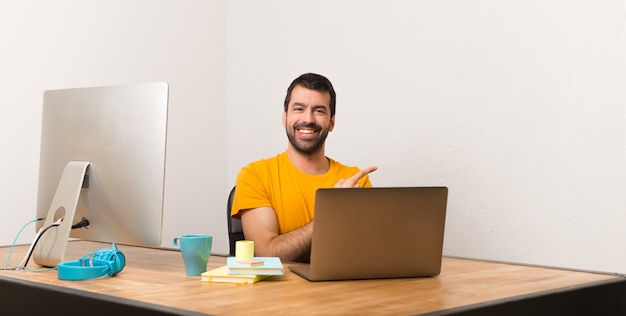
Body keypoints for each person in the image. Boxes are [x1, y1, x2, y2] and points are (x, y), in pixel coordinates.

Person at [230, 73, 377, 263]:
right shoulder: (255, 175)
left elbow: (368, 257)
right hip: (278, 292)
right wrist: (331, 213)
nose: (308, 119)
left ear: (331, 122)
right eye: (299, 109)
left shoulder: (356, 181)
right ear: (285, 117)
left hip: (341, 291)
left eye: (319, 111)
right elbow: (267, 254)